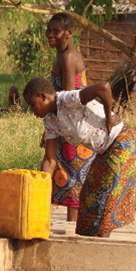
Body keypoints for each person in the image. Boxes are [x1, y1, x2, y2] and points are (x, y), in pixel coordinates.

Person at [23, 77, 136, 238]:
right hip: (104, 150)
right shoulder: (50, 121)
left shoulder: (68, 100)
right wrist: (40, 187)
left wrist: (109, 116)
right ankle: (92, 246)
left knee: (105, 199)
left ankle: (101, 249)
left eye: (32, 105)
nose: (32, 111)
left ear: (43, 96)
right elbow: (50, 160)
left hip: (122, 141)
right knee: (88, 198)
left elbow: (104, 87)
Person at [44, 12, 97, 222]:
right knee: (70, 177)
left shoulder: (67, 57)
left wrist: (51, 129)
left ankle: (72, 229)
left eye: (56, 31)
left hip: (72, 125)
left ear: (69, 33)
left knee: (74, 179)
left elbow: (67, 98)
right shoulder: (62, 54)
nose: (50, 34)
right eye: (49, 30)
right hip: (67, 123)